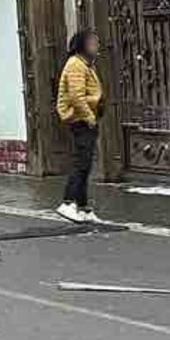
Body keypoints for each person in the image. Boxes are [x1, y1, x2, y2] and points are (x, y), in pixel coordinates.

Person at [53, 30, 104, 224]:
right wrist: (89, 117)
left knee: (86, 164)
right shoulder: (75, 64)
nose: (96, 46)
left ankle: (83, 208)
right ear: (82, 44)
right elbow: (76, 96)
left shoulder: (86, 65)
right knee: (81, 163)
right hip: (80, 120)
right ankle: (67, 202)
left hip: (85, 119)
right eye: (93, 43)